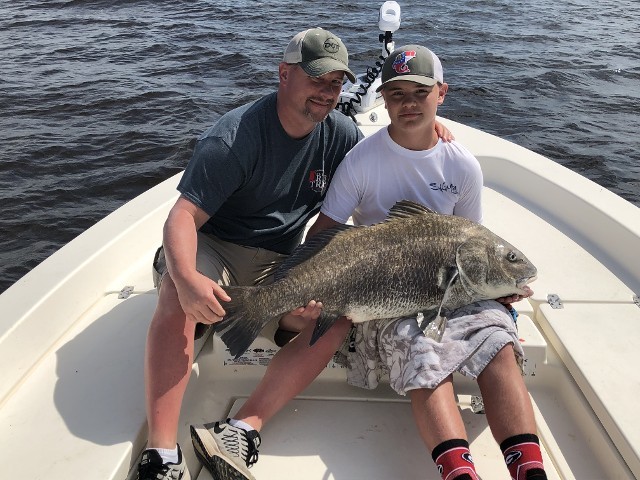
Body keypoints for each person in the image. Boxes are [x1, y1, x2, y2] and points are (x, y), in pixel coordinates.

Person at [191, 45, 547, 480]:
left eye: (420, 92)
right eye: (396, 94)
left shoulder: (464, 165)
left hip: (445, 290)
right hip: (377, 293)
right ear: (384, 100)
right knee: (422, 351)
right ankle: (460, 473)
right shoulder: (361, 159)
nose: (409, 103)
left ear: (442, 94)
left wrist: (500, 292)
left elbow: (470, 241)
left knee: (498, 342)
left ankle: (530, 470)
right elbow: (325, 233)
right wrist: (301, 292)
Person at [137, 29, 452, 480]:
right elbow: (182, 218)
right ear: (284, 75)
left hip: (278, 261)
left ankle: (243, 428)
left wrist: (435, 129)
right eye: (317, 79)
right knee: (177, 297)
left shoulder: (340, 135)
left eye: (336, 83)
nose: (327, 92)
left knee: (333, 318)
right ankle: (161, 455)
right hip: (215, 246)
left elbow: (388, 151)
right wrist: (187, 277)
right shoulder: (235, 137)